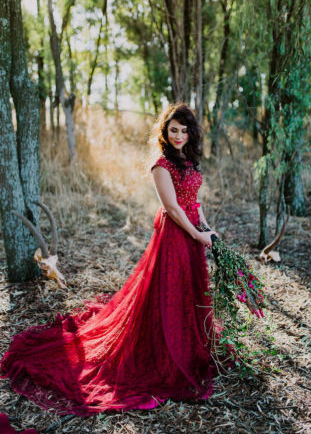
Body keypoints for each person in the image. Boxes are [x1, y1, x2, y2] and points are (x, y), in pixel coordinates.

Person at [0, 102, 231, 417]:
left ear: (191, 133)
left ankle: (188, 342)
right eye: (173, 130)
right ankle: (166, 347)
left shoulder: (188, 160)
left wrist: (206, 227)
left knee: (188, 291)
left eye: (184, 130)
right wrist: (196, 234)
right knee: (169, 291)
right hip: (177, 235)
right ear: (165, 132)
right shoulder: (161, 165)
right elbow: (174, 208)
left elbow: (194, 200)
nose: (178, 135)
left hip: (193, 233)